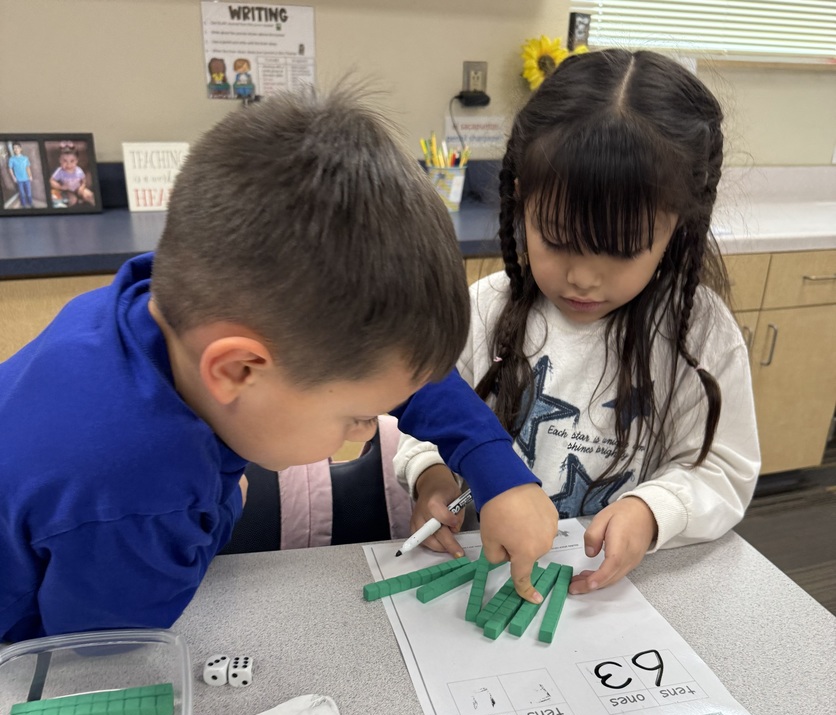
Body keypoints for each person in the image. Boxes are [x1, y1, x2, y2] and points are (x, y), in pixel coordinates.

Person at [0, 87, 556, 644]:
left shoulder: (161, 300)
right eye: (357, 417)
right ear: (238, 370)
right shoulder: (140, 497)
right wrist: (222, 505)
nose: (369, 432)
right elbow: (100, 652)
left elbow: (392, 366)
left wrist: (496, 471)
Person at [395, 49, 760, 596]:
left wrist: (653, 510)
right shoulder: (485, 310)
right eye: (557, 239)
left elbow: (723, 472)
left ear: (678, 227)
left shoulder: (698, 335)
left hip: (612, 594)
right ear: (522, 201)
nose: (583, 278)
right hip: (482, 577)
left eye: (623, 249)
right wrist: (431, 477)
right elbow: (425, 418)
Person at [8, 142, 33, 208]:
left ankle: (30, 204)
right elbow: (10, 169)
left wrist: (30, 176)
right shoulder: (12, 159)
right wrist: (14, 177)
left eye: (17, 148)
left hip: (27, 178)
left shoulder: (25, 158)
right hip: (19, 180)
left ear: (20, 149)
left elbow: (28, 167)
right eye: (14, 148)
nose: (16, 149)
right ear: (13, 150)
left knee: (29, 193)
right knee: (22, 194)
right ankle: (23, 205)